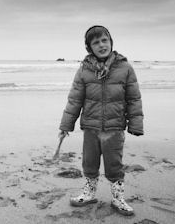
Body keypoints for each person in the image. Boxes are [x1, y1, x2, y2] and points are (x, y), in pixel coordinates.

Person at [59, 25, 144, 216]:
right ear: (89, 48)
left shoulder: (125, 68)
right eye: (96, 42)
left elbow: (134, 98)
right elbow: (74, 99)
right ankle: (89, 192)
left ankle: (118, 197)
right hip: (91, 126)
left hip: (114, 127)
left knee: (114, 163)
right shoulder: (84, 70)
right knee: (89, 162)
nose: (101, 45)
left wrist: (135, 123)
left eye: (104, 40)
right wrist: (66, 125)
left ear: (111, 42)